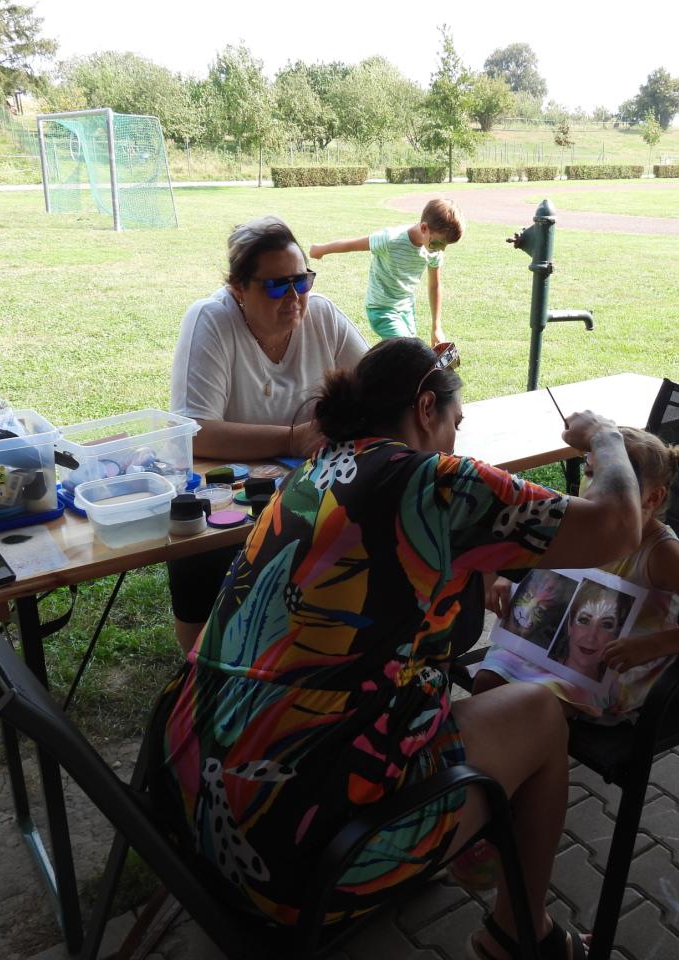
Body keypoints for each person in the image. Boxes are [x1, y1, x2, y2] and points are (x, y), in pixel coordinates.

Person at [156, 337, 644, 960]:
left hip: (187, 804)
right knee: (542, 717)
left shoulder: (314, 471)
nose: (456, 443)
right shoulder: (437, 483)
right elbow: (617, 525)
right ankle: (520, 936)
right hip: (288, 861)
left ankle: (461, 845)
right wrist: (605, 436)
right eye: (454, 424)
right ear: (425, 408)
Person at [168, 215, 368, 652]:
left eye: (301, 280)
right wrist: (292, 438)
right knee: (200, 545)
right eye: (277, 286)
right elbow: (194, 432)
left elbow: (374, 386)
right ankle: (200, 665)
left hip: (308, 484)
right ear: (238, 289)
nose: (294, 297)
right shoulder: (211, 321)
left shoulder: (322, 315)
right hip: (229, 490)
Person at [476, 427, 679, 718]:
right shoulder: (579, 519)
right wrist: (510, 578)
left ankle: (537, 745)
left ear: (653, 498)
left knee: (531, 707)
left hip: (613, 668)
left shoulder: (660, 553)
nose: (595, 489)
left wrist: (652, 646)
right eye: (590, 473)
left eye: (619, 482)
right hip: (552, 647)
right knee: (486, 682)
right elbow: (541, 559)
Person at [308, 198, 462, 345]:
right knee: (406, 350)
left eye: (445, 245)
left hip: (406, 308)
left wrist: (436, 326)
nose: (441, 249)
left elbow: (434, 286)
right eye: (437, 243)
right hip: (381, 307)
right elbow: (352, 245)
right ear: (424, 228)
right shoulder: (391, 239)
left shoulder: (434, 251)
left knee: (406, 351)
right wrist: (320, 249)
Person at [547, 581, 633, 683]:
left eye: (606, 625)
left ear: (616, 635)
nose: (590, 638)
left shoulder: (618, 688)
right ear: (570, 625)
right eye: (584, 620)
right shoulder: (539, 668)